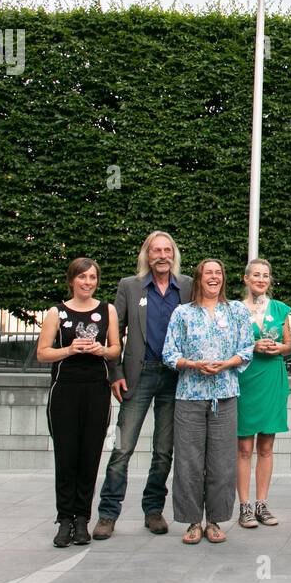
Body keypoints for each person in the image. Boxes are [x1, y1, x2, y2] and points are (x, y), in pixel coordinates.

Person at [93, 231, 192, 540]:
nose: (161, 255)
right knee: (122, 446)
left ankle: (153, 510)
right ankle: (108, 514)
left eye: (167, 250)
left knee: (164, 450)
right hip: (139, 374)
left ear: (173, 255)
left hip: (175, 376)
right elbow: (114, 332)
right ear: (147, 256)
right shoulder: (129, 286)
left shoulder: (187, 286)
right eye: (155, 251)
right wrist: (115, 372)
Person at [162, 259, 254, 544]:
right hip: (189, 396)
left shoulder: (236, 310)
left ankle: (214, 520)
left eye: (218, 273)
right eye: (208, 273)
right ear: (199, 279)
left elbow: (247, 348)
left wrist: (226, 364)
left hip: (225, 395)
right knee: (189, 461)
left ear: (223, 279)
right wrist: (191, 363)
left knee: (222, 462)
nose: (213, 277)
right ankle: (192, 522)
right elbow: (169, 353)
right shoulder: (182, 313)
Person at [36, 258, 122, 547]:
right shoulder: (56, 313)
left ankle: (82, 518)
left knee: (89, 456)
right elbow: (42, 353)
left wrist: (101, 349)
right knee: (67, 456)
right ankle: (64, 519)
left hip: (96, 390)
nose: (88, 282)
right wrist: (69, 349)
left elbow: (115, 351)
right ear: (71, 280)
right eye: (82, 277)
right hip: (65, 391)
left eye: (93, 277)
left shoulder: (106, 310)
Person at [235, 258, 291, 529]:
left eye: (265, 275)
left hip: (272, 377)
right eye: (255, 275)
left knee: (267, 445)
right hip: (246, 378)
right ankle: (244, 506)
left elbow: (289, 345)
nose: (260, 279)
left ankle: (262, 504)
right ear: (246, 279)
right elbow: (229, 344)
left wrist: (277, 348)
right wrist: (252, 347)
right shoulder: (235, 310)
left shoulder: (280, 309)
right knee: (244, 446)